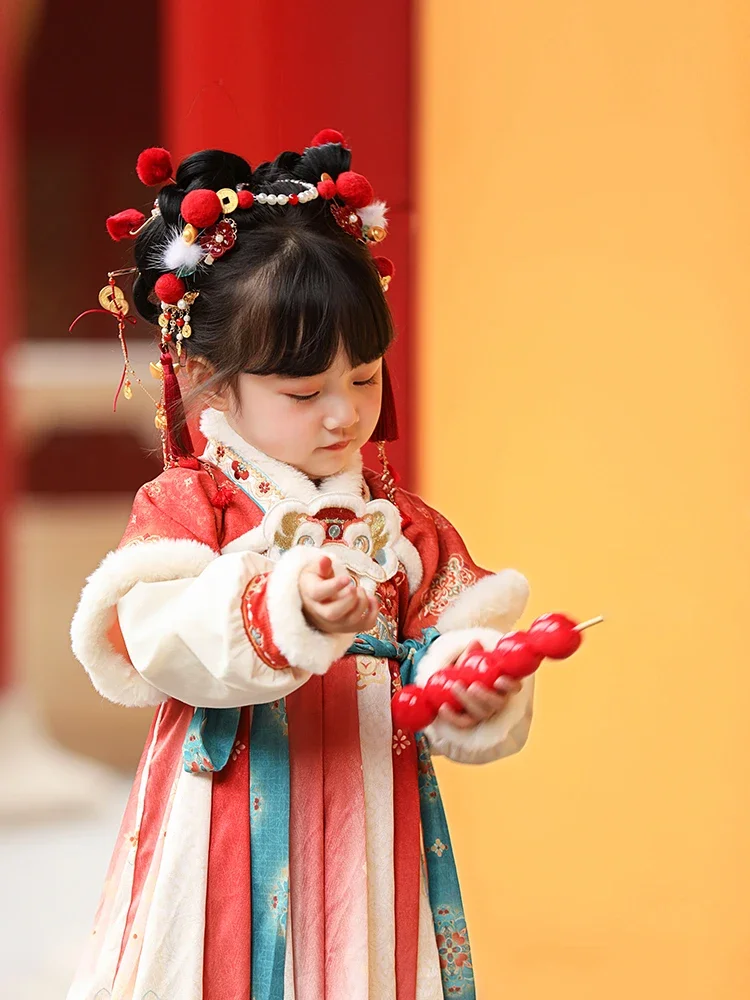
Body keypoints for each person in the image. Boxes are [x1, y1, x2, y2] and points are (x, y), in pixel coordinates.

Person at [67, 130, 535, 1000]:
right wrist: (286, 609)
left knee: (368, 960)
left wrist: (469, 680)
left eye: (363, 379)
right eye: (302, 391)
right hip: (225, 817)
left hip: (374, 813)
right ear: (208, 376)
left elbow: (445, 636)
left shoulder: (401, 524)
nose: (343, 414)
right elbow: (160, 637)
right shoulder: (189, 507)